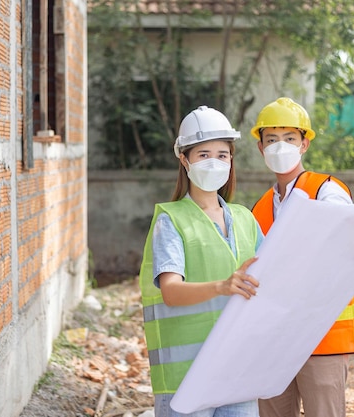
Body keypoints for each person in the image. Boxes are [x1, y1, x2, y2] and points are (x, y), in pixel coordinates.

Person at [249, 97, 354, 417]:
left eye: (289, 138)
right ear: (261, 148)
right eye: (272, 139)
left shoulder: (326, 191)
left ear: (304, 144)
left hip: (323, 337)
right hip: (273, 338)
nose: (280, 146)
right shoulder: (260, 208)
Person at [139, 105, 264, 417]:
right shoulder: (172, 220)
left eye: (222, 155)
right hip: (186, 380)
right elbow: (171, 291)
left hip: (238, 371)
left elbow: (276, 275)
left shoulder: (245, 219)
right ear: (184, 159)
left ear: (232, 160)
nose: (214, 162)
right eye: (203, 154)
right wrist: (223, 286)